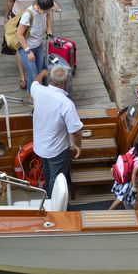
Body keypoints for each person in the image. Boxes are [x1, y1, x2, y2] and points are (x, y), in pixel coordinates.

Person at [31, 67, 82, 198]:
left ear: (50, 78)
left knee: (47, 172)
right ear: (65, 81)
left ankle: (47, 195)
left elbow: (34, 82)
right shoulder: (66, 104)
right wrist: (78, 146)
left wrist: (41, 73)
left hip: (41, 146)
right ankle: (52, 202)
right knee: (57, 177)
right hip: (57, 150)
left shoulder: (37, 90)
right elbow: (74, 130)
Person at [4, 0, 47, 90]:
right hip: (18, 18)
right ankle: (23, 77)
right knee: (20, 47)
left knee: (32, 45)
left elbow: (43, 1)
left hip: (33, 19)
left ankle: (33, 79)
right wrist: (6, 17)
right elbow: (10, 2)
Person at [16, 0, 54, 93]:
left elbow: (48, 14)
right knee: (34, 75)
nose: (47, 13)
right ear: (38, 6)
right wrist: (28, 51)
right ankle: (32, 98)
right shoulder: (28, 15)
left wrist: (49, 28)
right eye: (45, 11)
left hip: (38, 45)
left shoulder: (44, 9)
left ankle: (37, 95)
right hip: (27, 48)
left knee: (39, 72)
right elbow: (19, 34)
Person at [109, 136, 138, 210]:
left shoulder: (134, 149)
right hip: (128, 180)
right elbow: (133, 174)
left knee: (121, 194)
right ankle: (109, 210)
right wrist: (134, 186)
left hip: (123, 175)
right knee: (121, 198)